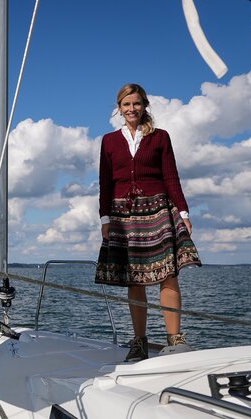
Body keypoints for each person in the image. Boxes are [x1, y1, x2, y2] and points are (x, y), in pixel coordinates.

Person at [95, 83, 201, 362]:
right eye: (127, 104)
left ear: (145, 106)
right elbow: (105, 182)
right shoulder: (108, 141)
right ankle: (140, 342)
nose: (132, 109)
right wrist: (104, 218)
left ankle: (175, 340)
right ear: (119, 108)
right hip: (122, 214)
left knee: (169, 274)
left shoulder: (161, 137)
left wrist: (184, 213)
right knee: (135, 279)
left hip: (158, 210)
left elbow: (171, 177)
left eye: (137, 104)